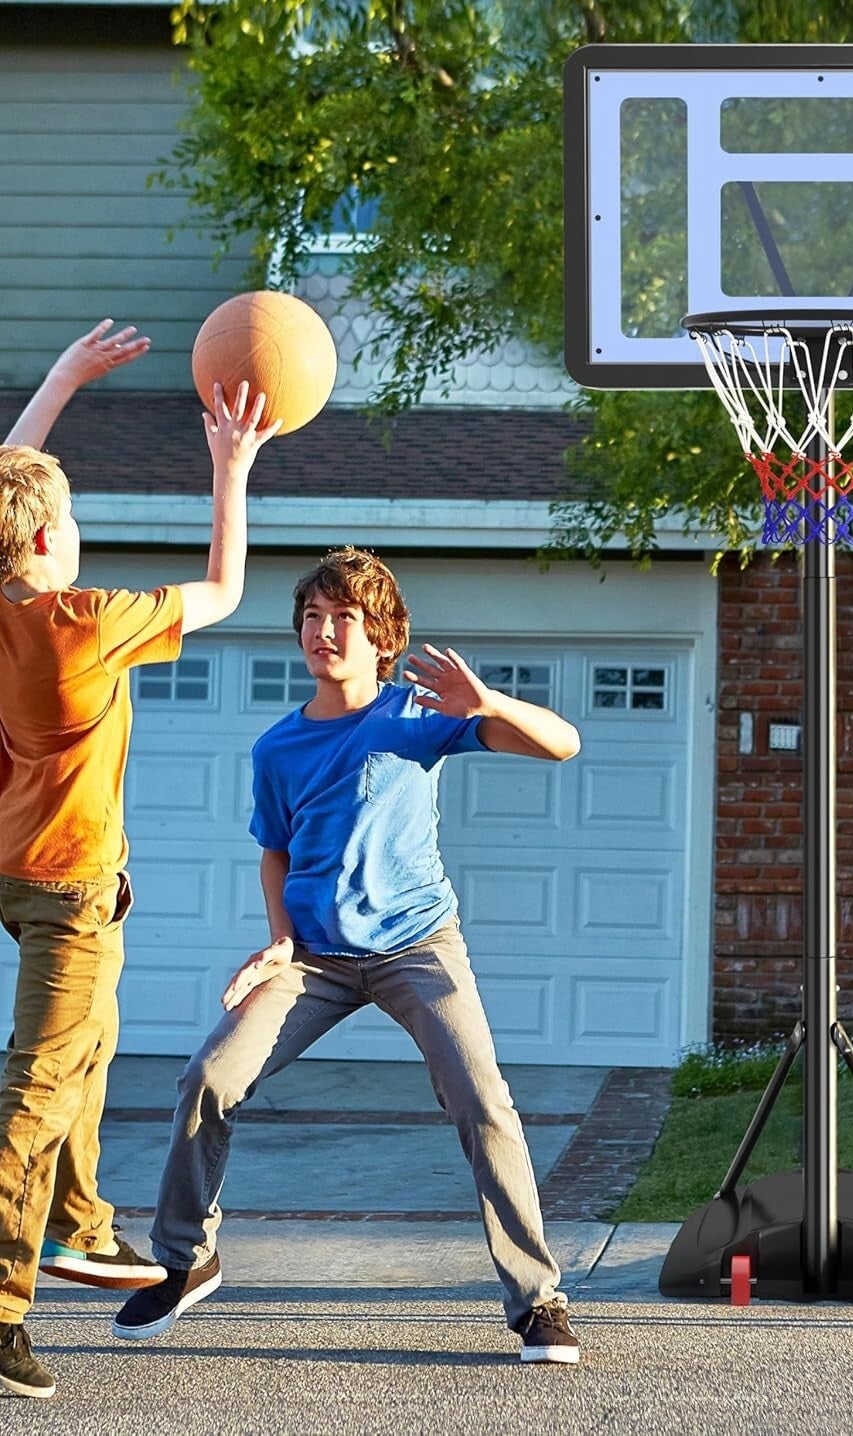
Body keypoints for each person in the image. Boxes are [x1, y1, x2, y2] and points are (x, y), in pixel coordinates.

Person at [113, 547, 584, 1365]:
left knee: (483, 1102)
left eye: (344, 619)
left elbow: (563, 745)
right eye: (312, 618)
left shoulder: (415, 715)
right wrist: (279, 939)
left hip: (417, 947)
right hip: (314, 961)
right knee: (209, 1078)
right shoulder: (277, 748)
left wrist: (489, 700)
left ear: (381, 637)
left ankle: (537, 1300)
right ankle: (186, 1260)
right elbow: (275, 851)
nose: (324, 632)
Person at [0, 321, 280, 1401]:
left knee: (89, 1048)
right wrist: (231, 470)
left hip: (26, 876)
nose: (77, 528)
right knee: (37, 1088)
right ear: (40, 545)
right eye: (66, 519)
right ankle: (4, 1303)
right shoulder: (85, 624)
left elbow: (9, 483)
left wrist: (62, 380)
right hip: (67, 888)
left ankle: (79, 1226)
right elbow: (224, 590)